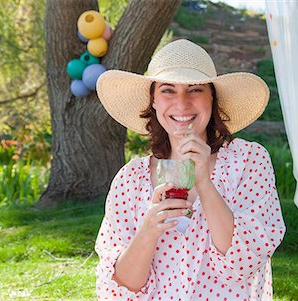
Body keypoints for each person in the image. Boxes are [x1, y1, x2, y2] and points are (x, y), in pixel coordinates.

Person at [95, 39, 285, 301]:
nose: (182, 104)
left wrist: (205, 184)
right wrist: (149, 229)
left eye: (195, 89)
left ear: (212, 98)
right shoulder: (130, 180)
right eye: (168, 90)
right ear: (153, 100)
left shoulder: (248, 160)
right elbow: (122, 287)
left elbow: (244, 265)